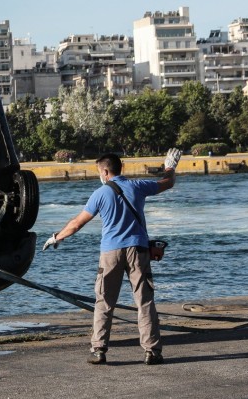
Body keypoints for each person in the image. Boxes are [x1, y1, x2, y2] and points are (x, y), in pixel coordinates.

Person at [42, 148, 181, 366]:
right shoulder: (138, 187)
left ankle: (99, 350)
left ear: (106, 172)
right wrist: (170, 166)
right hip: (138, 250)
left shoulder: (100, 194)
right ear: (120, 169)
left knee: (104, 302)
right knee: (144, 301)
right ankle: (152, 351)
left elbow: (78, 223)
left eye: (100, 172)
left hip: (110, 253)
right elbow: (168, 182)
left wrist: (56, 238)